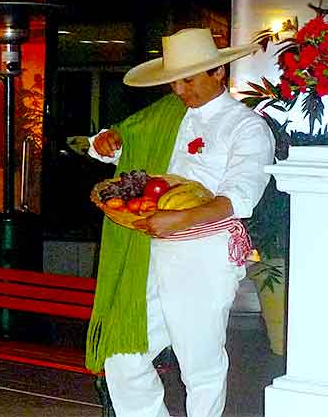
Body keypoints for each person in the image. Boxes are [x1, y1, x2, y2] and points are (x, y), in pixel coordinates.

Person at [85, 28, 275, 417]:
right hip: (151, 250)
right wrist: (107, 142)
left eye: (188, 80)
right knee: (123, 354)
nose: (179, 90)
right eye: (174, 81)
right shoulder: (165, 117)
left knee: (199, 364)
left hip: (204, 255)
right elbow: (128, 142)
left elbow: (240, 196)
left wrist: (182, 218)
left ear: (219, 72)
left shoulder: (246, 126)